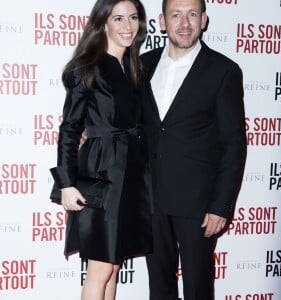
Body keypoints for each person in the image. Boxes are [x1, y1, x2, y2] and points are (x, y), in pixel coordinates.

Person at [141, 0, 247, 299]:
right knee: (159, 287)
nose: (184, 23)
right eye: (176, 15)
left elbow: (233, 145)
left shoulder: (224, 71)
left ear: (204, 20)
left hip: (198, 205)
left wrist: (220, 205)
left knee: (198, 287)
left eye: (192, 14)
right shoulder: (142, 64)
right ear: (162, 21)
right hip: (151, 201)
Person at [49, 1, 152, 300]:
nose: (127, 25)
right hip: (102, 170)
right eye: (118, 18)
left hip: (130, 173)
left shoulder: (134, 68)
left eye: (133, 18)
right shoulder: (89, 67)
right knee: (101, 268)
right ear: (103, 23)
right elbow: (69, 128)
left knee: (113, 265)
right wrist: (66, 183)